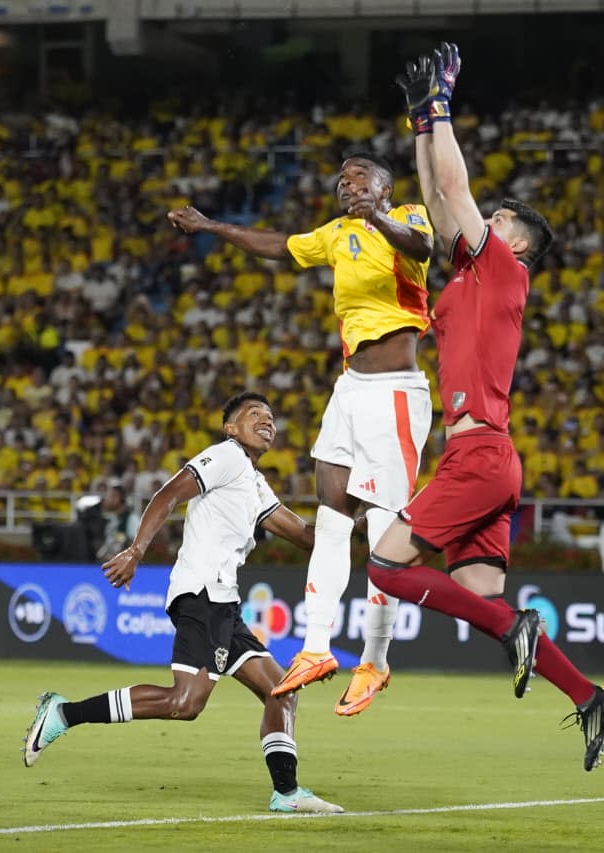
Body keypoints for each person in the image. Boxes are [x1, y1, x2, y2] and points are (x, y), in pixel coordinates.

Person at [365, 44, 604, 773]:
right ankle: (590, 692)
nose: (486, 217)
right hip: (485, 457)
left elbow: (454, 186)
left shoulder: (504, 264)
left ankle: (520, 625)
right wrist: (420, 125)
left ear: (516, 242)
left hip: (478, 455)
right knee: (484, 601)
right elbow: (442, 201)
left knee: (385, 566)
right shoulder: (473, 274)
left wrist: (441, 108)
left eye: (499, 216)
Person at [169, 151, 436, 715]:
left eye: (358, 178)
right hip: (350, 389)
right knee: (333, 517)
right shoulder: (335, 234)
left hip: (395, 389)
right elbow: (280, 246)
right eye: (342, 180)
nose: (346, 185)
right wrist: (212, 226)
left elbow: (423, 249)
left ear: (384, 187)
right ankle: (316, 647)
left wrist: (376, 218)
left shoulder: (411, 215)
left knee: (385, 528)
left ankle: (376, 659)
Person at [22, 393, 343, 813]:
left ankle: (287, 794)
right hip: (201, 595)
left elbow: (304, 536)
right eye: (254, 415)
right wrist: (135, 552)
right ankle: (63, 714)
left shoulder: (253, 481)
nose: (267, 421)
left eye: (271, 417)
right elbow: (168, 495)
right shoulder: (226, 457)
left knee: (281, 691)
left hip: (223, 603)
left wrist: (359, 520)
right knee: (185, 703)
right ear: (230, 428)